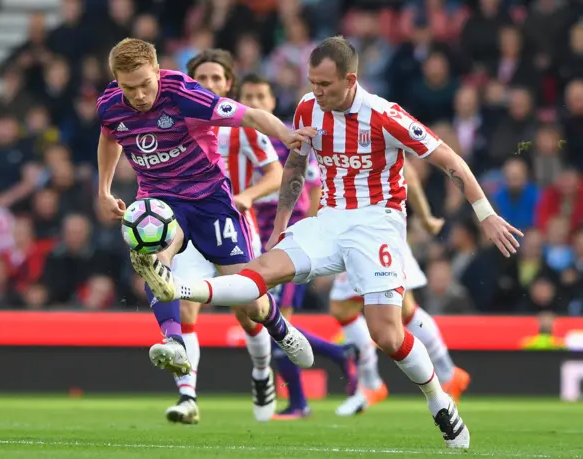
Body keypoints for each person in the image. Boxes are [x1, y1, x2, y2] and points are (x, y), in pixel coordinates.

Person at [142, 36, 525, 448]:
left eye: (325, 84)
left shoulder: (384, 115)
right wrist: (280, 227)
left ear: (351, 79)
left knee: (387, 336)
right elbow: (296, 166)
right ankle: (179, 287)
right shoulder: (309, 106)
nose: (317, 92)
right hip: (329, 219)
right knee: (259, 274)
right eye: (312, 82)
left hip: (376, 224)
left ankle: (439, 400)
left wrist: (486, 215)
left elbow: (450, 160)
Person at [97, 37, 317, 408]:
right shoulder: (109, 106)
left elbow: (249, 115)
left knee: (249, 295)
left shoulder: (183, 93)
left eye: (144, 84)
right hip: (160, 199)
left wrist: (284, 133)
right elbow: (109, 138)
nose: (137, 95)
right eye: (127, 87)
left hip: (211, 200)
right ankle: (173, 341)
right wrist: (103, 189)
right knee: (152, 256)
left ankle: (280, 328)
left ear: (157, 71)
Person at [163, 49, 283, 425]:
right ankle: (187, 397)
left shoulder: (239, 124)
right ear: (189, 81)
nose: (210, 85)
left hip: (231, 221)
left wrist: (247, 195)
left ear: (228, 83)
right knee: (184, 306)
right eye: (203, 78)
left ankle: (262, 371)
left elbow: (275, 173)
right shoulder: (175, 121)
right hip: (190, 221)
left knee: (248, 312)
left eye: (218, 79)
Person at [240, 73, 361, 419]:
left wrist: (318, 233)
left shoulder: (287, 141)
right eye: (248, 96)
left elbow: (312, 188)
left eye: (261, 96)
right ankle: (339, 355)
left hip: (286, 241)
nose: (255, 102)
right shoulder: (232, 140)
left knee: (276, 321)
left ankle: (299, 402)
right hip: (251, 237)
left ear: (272, 102)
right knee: (269, 319)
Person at [329, 161, 471, 411]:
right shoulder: (340, 133)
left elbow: (409, 174)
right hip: (355, 230)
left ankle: (377, 383)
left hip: (375, 231)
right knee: (363, 308)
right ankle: (445, 374)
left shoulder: (374, 127)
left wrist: (425, 217)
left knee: (399, 308)